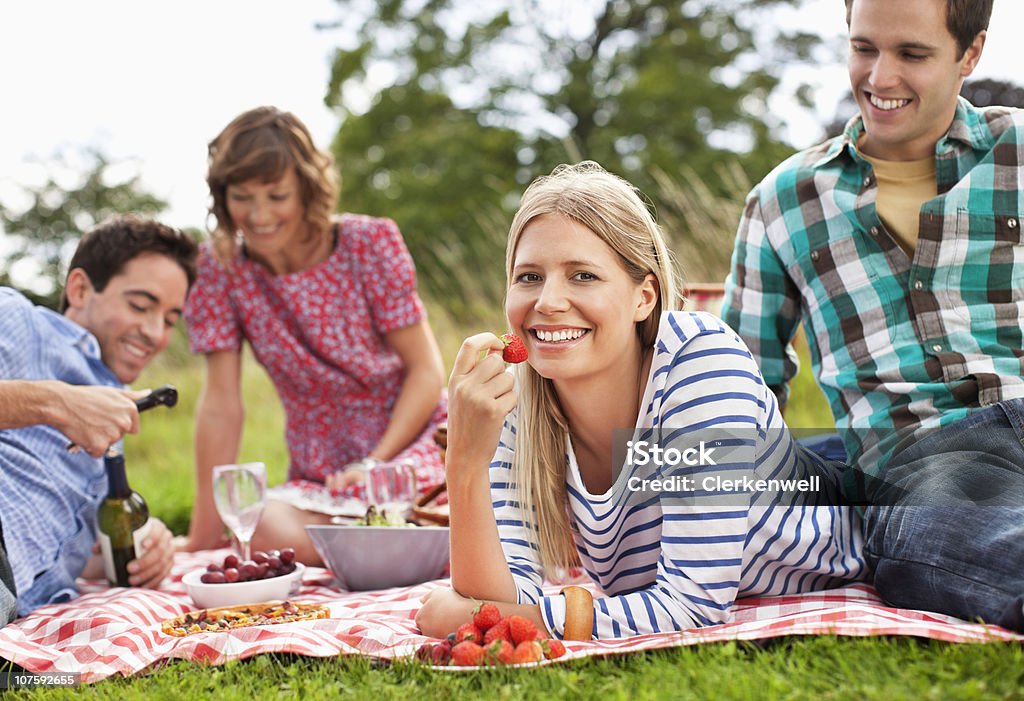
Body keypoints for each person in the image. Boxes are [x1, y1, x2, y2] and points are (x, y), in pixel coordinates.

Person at [415, 162, 865, 640]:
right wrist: (463, 459)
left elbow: (692, 605)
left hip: (865, 509)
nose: (547, 301)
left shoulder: (701, 362)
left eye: (583, 276)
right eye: (528, 276)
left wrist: (491, 621)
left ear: (644, 297)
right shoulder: (520, 400)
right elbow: (502, 599)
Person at [721, 0, 1024, 631]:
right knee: (951, 539)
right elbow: (740, 389)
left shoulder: (1018, 152)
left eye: (912, 54)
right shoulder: (783, 202)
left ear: (970, 54)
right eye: (864, 48)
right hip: (925, 458)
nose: (879, 79)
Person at [183, 106, 447, 564]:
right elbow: (221, 406)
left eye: (276, 195)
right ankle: (398, 544)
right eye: (242, 197)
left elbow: (426, 371)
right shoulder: (221, 268)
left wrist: (375, 463)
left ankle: (398, 537)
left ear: (307, 188)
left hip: (410, 443)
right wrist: (200, 539)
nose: (259, 215)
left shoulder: (368, 243)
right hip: (323, 476)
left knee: (449, 498)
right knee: (259, 525)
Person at [0, 214, 198, 623]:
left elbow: (80, 554)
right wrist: (53, 402)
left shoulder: (110, 427)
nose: (154, 332)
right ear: (80, 289)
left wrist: (145, 543)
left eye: (169, 320)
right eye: (139, 305)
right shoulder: (16, 321)